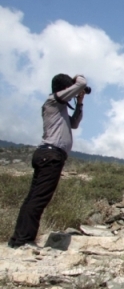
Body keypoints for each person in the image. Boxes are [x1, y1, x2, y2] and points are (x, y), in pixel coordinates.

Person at [8, 74, 88, 248]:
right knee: (38, 199)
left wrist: (80, 103)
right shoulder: (53, 100)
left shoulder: (60, 109)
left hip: (49, 155)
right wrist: (78, 81)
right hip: (51, 156)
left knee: (34, 198)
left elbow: (74, 124)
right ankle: (24, 240)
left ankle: (18, 239)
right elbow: (82, 82)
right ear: (64, 88)